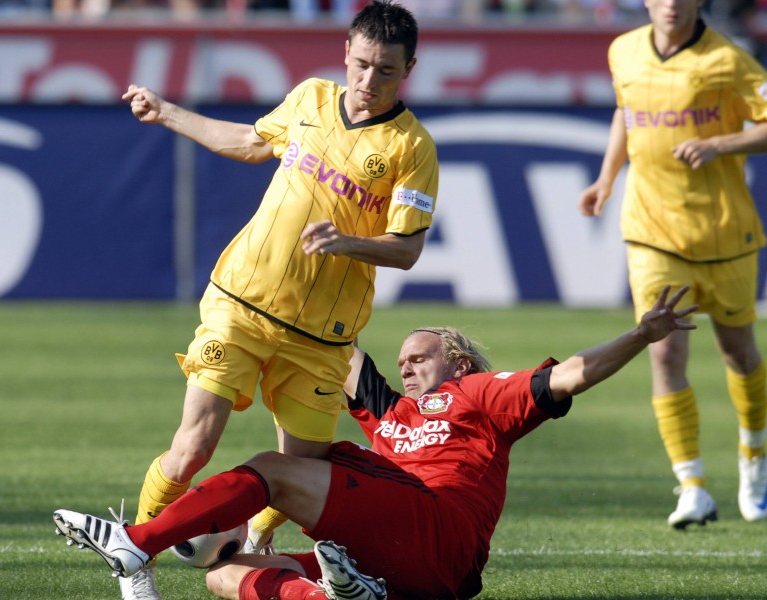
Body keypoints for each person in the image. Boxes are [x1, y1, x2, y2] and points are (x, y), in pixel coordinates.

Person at [54, 285, 697, 600]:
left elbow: (572, 375)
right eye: (403, 360)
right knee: (224, 576)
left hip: (438, 529)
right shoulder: (390, 414)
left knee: (276, 468)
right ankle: (343, 597)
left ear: (459, 360)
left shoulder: (480, 396)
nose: (407, 366)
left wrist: (641, 336)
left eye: (421, 356)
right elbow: (337, 343)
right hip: (401, 569)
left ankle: (136, 543)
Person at [116, 1, 438, 597]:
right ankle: (137, 561)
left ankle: (257, 545)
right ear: (346, 53)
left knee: (298, 477)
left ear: (409, 69)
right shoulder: (310, 99)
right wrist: (167, 113)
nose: (369, 82)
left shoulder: (411, 147)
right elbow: (247, 141)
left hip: (321, 338)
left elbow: (407, 249)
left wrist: (348, 242)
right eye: (362, 65)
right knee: (192, 448)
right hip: (242, 303)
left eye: (386, 71)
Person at [578, 0, 767, 529]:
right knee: (662, 352)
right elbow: (627, 112)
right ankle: (692, 485)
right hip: (652, 230)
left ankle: (754, 459)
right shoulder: (624, 51)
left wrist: (721, 144)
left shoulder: (729, 60)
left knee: (739, 354)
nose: (671, 4)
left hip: (724, 233)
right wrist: (607, 178)